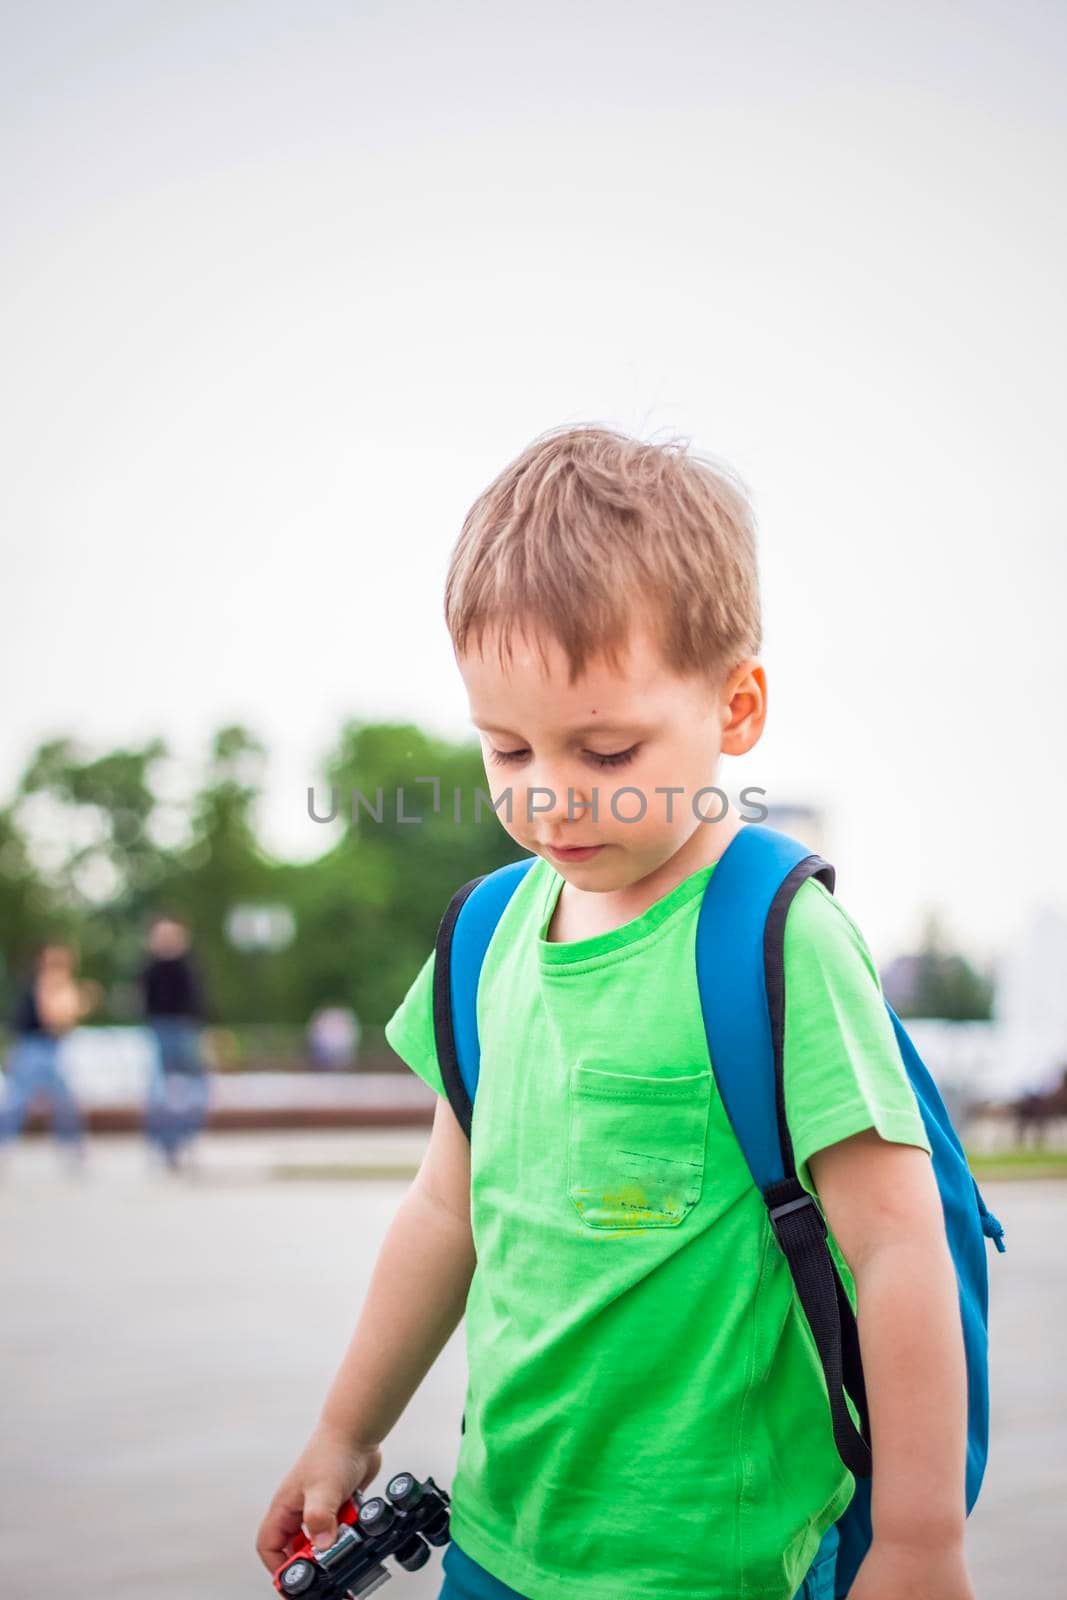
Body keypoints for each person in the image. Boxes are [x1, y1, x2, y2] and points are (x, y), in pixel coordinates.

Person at [256, 427, 973, 1600]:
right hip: (497, 1545)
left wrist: (918, 1545)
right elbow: (445, 1211)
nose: (548, 795)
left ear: (734, 707)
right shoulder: (486, 937)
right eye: (505, 749)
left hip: (712, 1564)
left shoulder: (770, 939)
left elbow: (898, 1250)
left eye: (604, 750)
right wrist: (346, 1429)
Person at [1, 940, 99, 1162]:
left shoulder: (48, 983)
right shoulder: (48, 983)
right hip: (36, 1047)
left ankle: (74, 1148)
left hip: (46, 1047)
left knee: (60, 1101)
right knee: (22, 1101)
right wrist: (81, 1005)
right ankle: (74, 1148)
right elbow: (54, 1020)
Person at [139, 913, 210, 1170]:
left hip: (187, 1029)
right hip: (161, 1030)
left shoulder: (188, 965)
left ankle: (184, 1138)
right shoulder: (150, 968)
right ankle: (164, 1144)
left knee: (198, 1090)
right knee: (159, 1093)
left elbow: (199, 1001)